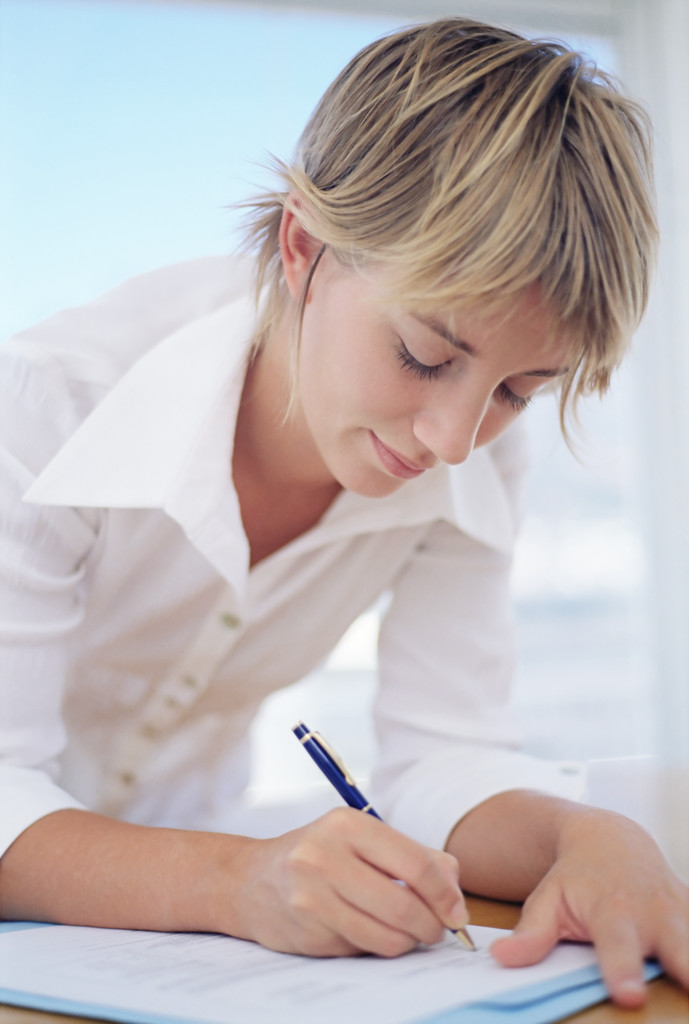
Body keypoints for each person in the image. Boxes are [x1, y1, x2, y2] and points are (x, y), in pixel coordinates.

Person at [0, 15, 686, 1010]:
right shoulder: (46, 407)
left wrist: (587, 836)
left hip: (173, 960)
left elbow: (441, 752)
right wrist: (235, 879)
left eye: (516, 390)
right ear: (301, 247)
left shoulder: (477, 458)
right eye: (422, 353)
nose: (453, 440)